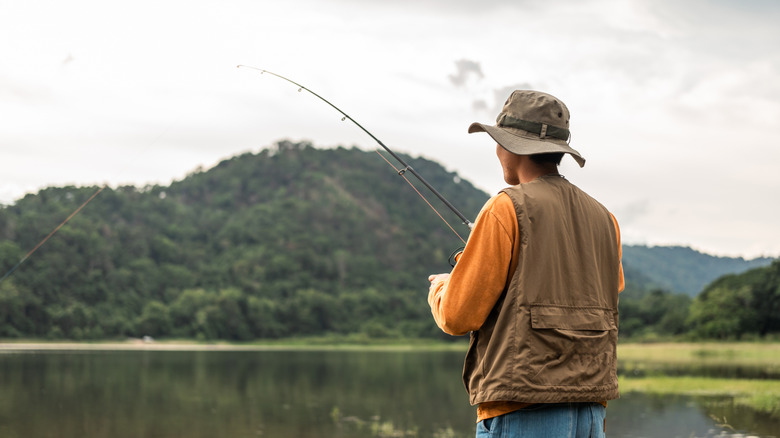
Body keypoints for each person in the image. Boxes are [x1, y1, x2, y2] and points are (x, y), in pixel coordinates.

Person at [427, 90, 625, 438]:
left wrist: (444, 284)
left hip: (522, 408)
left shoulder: (504, 208)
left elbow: (458, 316)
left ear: (509, 146)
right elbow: (604, 288)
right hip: (590, 410)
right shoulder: (605, 218)